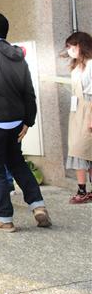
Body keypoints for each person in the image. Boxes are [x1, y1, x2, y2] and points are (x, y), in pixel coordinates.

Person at [0, 12, 50, 231]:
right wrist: (28, 121)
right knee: (17, 163)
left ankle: (4, 218)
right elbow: (28, 91)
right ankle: (38, 206)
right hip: (15, 123)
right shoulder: (17, 55)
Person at [62, 31, 92, 204]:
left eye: (72, 46)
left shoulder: (90, 65)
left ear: (81, 46)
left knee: (84, 148)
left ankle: (83, 191)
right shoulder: (76, 66)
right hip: (77, 111)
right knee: (77, 149)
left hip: (87, 110)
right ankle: (82, 189)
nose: (70, 50)